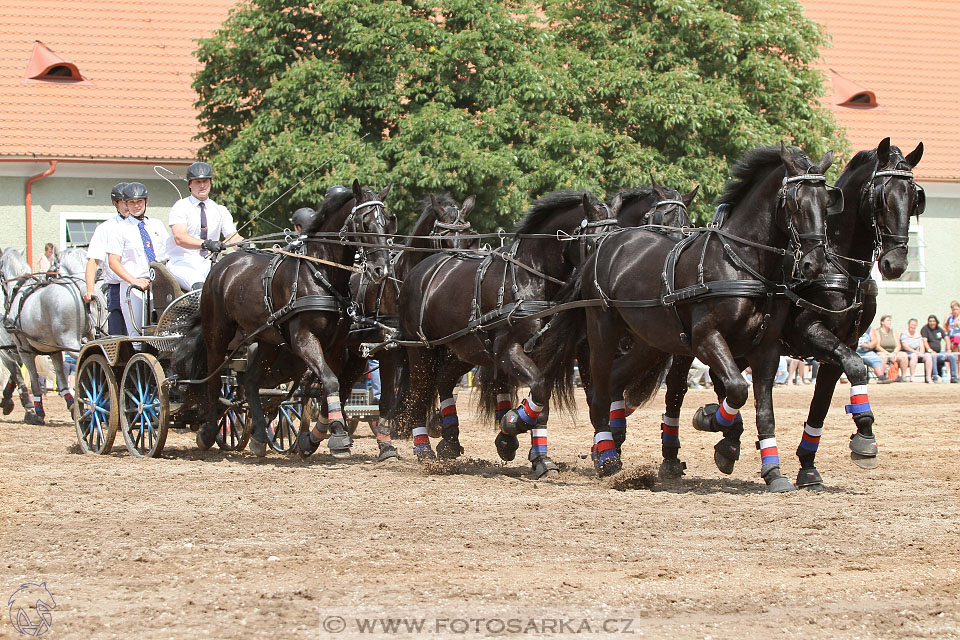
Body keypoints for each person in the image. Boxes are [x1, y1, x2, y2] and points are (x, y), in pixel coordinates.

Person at [166, 161, 243, 291]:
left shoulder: (220, 210)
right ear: (190, 184)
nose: (202, 185)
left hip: (207, 263)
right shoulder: (181, 207)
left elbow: (232, 236)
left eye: (205, 181)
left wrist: (245, 245)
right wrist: (206, 244)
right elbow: (180, 238)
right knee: (199, 284)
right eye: (197, 182)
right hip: (181, 262)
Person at [105, 182, 169, 336]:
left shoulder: (157, 225)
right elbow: (113, 262)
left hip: (159, 284)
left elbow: (168, 254)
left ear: (146, 201)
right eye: (131, 202)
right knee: (138, 334)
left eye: (139, 201)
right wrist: (134, 280)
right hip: (134, 287)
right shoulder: (119, 229)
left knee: (164, 332)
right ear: (126, 204)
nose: (136, 206)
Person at [83, 182, 129, 335]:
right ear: (116, 203)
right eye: (125, 201)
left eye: (133, 201)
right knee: (119, 334)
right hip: (117, 287)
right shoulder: (106, 229)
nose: (129, 205)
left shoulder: (147, 224)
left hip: (147, 286)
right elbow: (93, 261)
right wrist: (90, 289)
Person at [921, 315, 958, 383]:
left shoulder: (939, 329)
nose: (932, 323)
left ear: (936, 322)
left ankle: (954, 377)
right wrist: (930, 351)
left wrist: (948, 350)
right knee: (933, 356)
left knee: (952, 356)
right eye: (930, 321)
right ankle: (935, 377)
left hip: (939, 353)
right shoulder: (925, 329)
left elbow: (946, 339)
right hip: (930, 353)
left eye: (933, 321)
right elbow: (924, 341)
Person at [871, 315, 907, 381]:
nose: (889, 322)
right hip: (882, 352)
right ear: (882, 322)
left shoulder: (893, 331)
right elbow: (877, 346)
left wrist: (894, 353)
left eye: (890, 320)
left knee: (904, 355)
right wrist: (888, 354)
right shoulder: (877, 331)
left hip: (893, 352)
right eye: (888, 320)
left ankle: (903, 377)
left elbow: (898, 345)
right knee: (883, 357)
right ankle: (882, 377)